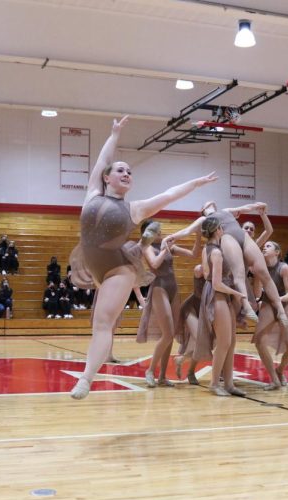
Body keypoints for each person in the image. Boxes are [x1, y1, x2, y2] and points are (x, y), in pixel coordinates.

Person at [67, 115, 217, 399]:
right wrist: (114, 134)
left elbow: (168, 195)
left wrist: (196, 183)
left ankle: (86, 380)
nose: (126, 174)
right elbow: (102, 159)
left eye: (130, 172)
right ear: (107, 177)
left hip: (116, 270)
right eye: (120, 170)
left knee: (102, 324)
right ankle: (88, 376)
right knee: (100, 322)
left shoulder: (134, 209)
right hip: (91, 263)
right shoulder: (92, 193)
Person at [165, 202, 288, 326]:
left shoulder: (226, 210)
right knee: (238, 275)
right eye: (207, 203)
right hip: (228, 238)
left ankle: (280, 309)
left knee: (263, 273)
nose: (212, 202)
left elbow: (245, 208)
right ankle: (245, 306)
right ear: (203, 209)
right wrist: (170, 237)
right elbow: (187, 231)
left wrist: (259, 206)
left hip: (242, 236)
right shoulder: (203, 219)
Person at [137, 220, 200, 387]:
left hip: (173, 288)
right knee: (167, 333)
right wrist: (165, 247)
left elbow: (193, 254)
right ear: (147, 233)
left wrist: (199, 235)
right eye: (156, 231)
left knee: (170, 335)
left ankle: (163, 376)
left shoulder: (168, 246)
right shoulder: (146, 247)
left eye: (159, 231)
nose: (160, 233)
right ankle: (150, 370)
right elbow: (155, 264)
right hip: (159, 288)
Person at [193, 215, 247, 396]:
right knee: (224, 342)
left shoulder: (207, 249)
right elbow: (216, 283)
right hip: (217, 294)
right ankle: (214, 383)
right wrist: (237, 293)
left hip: (221, 294)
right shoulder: (216, 252)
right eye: (222, 228)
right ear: (218, 230)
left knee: (231, 342)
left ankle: (229, 384)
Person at [252, 241, 288, 390]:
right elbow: (258, 294)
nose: (264, 247)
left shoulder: (284, 268)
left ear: (277, 252)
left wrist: (277, 300)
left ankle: (280, 370)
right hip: (267, 303)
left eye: (269, 246)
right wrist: (257, 276)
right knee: (259, 341)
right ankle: (274, 378)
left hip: (286, 305)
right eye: (263, 246)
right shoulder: (260, 268)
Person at [174, 264, 205, 384]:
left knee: (206, 343)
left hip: (208, 310)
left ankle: (183, 361)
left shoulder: (223, 269)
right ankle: (189, 370)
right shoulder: (199, 268)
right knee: (200, 339)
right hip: (192, 308)